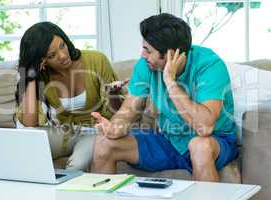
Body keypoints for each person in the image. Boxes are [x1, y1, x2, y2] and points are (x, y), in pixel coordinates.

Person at [91, 13, 238, 182]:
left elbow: (204, 128)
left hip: (214, 141)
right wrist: (114, 127)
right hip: (170, 140)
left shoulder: (210, 65)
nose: (142, 55)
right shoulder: (145, 66)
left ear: (170, 55)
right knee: (104, 143)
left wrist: (170, 81)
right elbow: (128, 111)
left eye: (148, 50)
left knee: (199, 146)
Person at [14, 21, 125, 170]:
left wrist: (113, 95)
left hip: (93, 132)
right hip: (63, 132)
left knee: (76, 166)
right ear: (43, 61)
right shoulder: (43, 74)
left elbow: (116, 114)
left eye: (62, 45)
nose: (62, 55)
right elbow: (29, 125)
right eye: (52, 55)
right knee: (23, 147)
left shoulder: (97, 60)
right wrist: (32, 75)